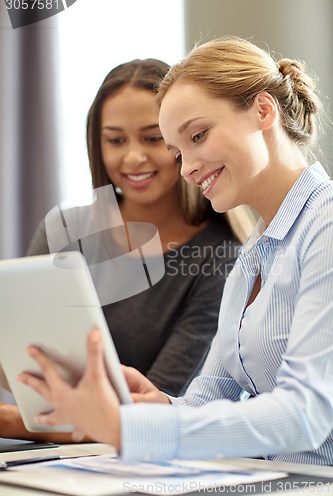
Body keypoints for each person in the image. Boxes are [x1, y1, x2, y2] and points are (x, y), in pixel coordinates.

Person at [19, 35, 333, 466]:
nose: (187, 169)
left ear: (264, 110)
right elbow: (213, 395)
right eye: (178, 152)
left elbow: (305, 416)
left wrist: (125, 427)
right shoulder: (255, 253)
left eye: (198, 136)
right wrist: (160, 405)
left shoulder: (326, 224)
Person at [0, 57, 249, 441]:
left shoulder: (220, 255)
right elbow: (16, 360)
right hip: (48, 449)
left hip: (140, 453)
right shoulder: (66, 229)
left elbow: (161, 406)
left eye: (152, 139)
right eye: (116, 140)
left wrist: (14, 422)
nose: (133, 157)